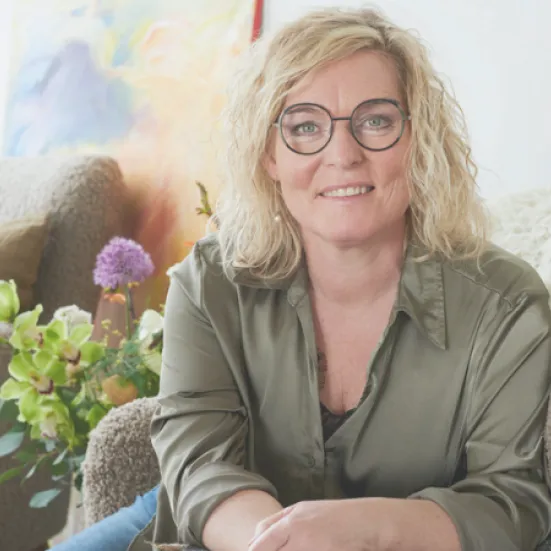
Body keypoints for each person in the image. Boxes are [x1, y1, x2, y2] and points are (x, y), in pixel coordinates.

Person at [52, 6, 551, 551]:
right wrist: (281, 543)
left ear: (418, 139)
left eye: (376, 121)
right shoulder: (211, 281)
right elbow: (199, 463)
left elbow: (511, 503)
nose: (343, 155)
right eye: (305, 126)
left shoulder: (508, 305)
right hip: (223, 534)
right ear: (269, 154)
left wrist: (361, 532)